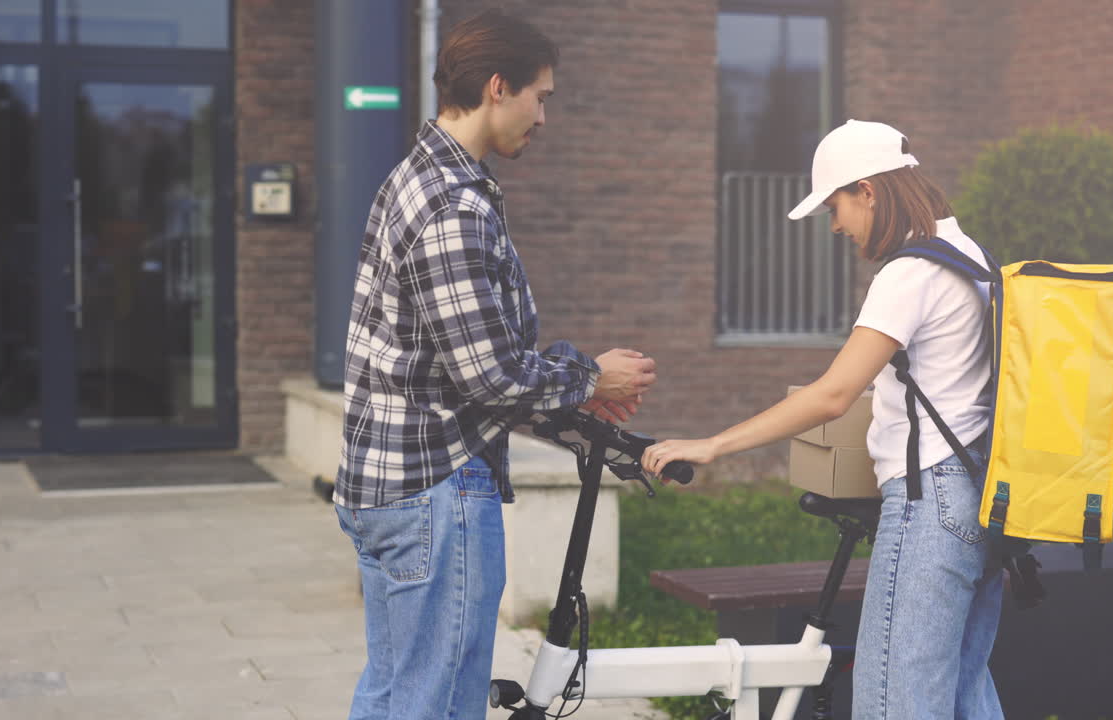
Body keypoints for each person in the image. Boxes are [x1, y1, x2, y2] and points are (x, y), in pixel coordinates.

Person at [333, 10, 658, 720]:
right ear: (498, 87)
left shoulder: (416, 178)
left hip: (388, 487)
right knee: (439, 704)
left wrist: (575, 393)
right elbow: (492, 376)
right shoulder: (453, 203)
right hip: (433, 491)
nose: (543, 117)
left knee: (393, 694)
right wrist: (592, 376)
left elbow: (459, 362)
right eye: (541, 97)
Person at [641, 119, 1004, 719]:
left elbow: (832, 394)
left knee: (896, 701)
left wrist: (713, 444)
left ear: (867, 190)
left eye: (836, 206)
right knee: (964, 696)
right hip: (979, 498)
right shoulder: (973, 256)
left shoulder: (909, 272)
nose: (836, 225)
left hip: (929, 505)